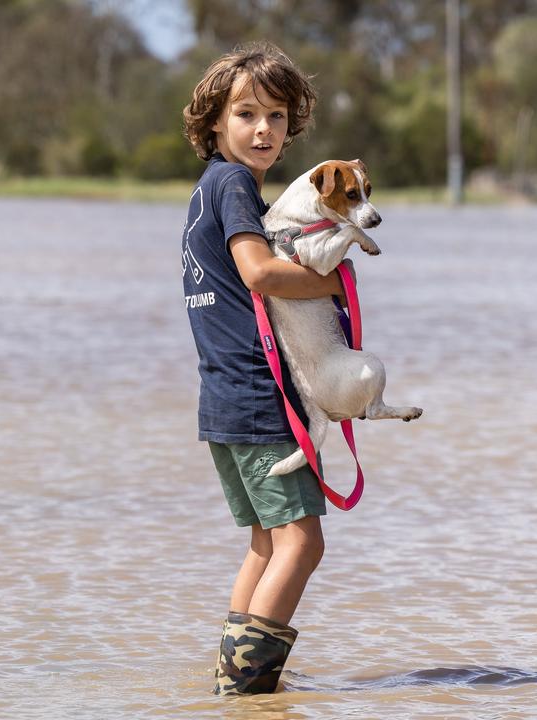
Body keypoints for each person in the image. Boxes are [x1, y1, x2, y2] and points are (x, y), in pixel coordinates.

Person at [180, 42, 340, 696]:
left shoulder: (206, 191)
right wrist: (333, 280)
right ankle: (247, 687)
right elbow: (258, 273)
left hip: (223, 403)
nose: (263, 129)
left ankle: (231, 678)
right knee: (301, 544)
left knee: (266, 545)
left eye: (276, 115)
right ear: (215, 123)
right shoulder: (234, 183)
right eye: (246, 114)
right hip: (256, 399)